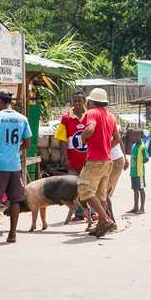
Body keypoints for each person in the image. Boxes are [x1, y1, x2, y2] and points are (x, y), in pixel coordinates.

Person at [0, 90, 32, 243]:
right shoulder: (22, 118)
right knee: (15, 200)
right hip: (14, 165)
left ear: (0, 101)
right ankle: (12, 235)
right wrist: (15, 149)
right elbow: (27, 143)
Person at [79, 88, 120, 238]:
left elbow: (90, 129)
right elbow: (117, 137)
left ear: (92, 102)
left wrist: (83, 138)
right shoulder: (110, 116)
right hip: (107, 161)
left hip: (95, 160)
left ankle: (105, 219)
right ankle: (101, 226)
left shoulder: (92, 113)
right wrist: (107, 147)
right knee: (101, 195)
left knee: (84, 188)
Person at [54, 90, 92, 222]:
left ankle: (91, 212)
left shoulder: (90, 116)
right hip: (72, 159)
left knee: (89, 185)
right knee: (75, 187)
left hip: (89, 159)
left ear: (84, 102)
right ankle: (80, 213)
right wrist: (64, 157)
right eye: (74, 101)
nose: (76, 103)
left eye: (79, 101)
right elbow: (62, 139)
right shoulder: (65, 118)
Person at [106, 129, 129, 229]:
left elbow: (118, 140)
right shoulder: (108, 120)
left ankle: (110, 222)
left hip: (115, 161)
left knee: (104, 193)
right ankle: (106, 219)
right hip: (112, 161)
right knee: (104, 193)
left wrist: (125, 157)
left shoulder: (107, 121)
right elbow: (119, 140)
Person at [128, 129, 149, 214]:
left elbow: (146, 158)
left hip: (139, 172)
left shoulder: (142, 147)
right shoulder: (133, 146)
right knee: (135, 189)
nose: (135, 137)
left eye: (137, 136)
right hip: (133, 172)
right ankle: (135, 207)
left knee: (141, 189)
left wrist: (140, 164)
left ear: (141, 136)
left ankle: (142, 208)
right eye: (134, 135)